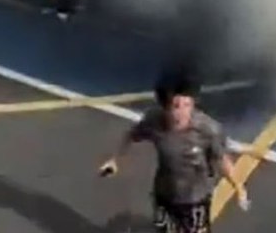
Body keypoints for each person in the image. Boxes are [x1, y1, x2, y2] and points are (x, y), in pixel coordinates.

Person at [99, 75, 248, 232]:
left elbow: (221, 159)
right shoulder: (154, 122)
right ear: (165, 107)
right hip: (165, 194)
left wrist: (239, 188)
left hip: (194, 199)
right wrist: (114, 159)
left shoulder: (207, 129)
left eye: (188, 105)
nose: (183, 112)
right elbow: (131, 135)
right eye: (176, 106)